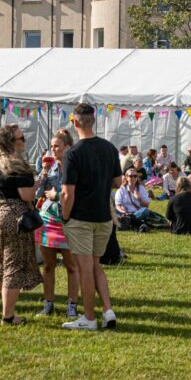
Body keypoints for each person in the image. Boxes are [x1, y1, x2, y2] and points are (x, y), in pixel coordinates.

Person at [61, 103, 121, 331]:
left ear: (75, 122)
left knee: (85, 269)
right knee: (96, 266)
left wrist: (65, 216)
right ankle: (107, 310)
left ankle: (89, 317)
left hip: (80, 218)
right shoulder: (109, 148)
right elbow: (118, 182)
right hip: (104, 217)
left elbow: (67, 193)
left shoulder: (73, 153)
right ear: (93, 121)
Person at [0, 125, 41, 325]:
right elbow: (26, 195)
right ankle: (9, 316)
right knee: (13, 267)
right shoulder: (17, 165)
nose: (23, 141)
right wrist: (36, 185)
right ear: (11, 142)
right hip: (12, 217)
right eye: (20, 138)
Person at [35, 129, 79, 318]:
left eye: (57, 146)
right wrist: (43, 174)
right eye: (52, 146)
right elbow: (37, 195)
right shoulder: (49, 168)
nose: (54, 150)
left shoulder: (75, 168)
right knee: (48, 265)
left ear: (67, 147)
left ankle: (72, 305)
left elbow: (75, 196)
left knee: (71, 266)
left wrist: (57, 195)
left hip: (68, 221)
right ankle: (48, 304)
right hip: (47, 220)